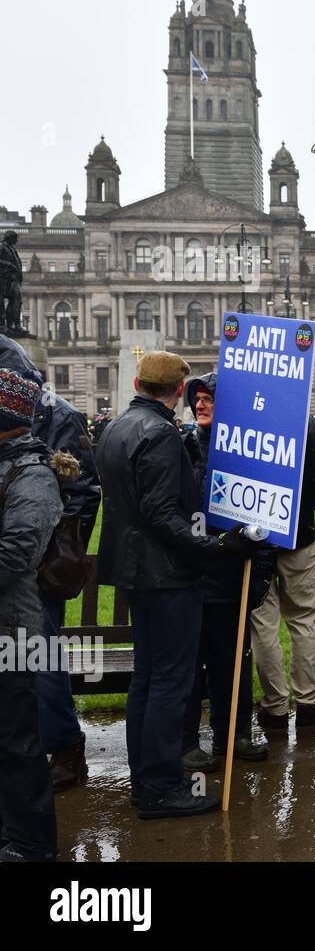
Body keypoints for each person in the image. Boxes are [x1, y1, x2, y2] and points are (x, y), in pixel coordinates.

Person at [98, 352, 252, 819]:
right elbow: (163, 513)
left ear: (139, 382)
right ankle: (161, 786)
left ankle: (148, 777)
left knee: (147, 678)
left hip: (135, 572)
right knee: (169, 681)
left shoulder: (115, 427)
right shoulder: (161, 434)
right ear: (179, 391)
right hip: (166, 574)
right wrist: (215, 547)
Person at [1, 334, 101, 791]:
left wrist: (51, 550)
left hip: (38, 565)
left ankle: (64, 749)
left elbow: (82, 490)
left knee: (41, 659)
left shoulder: (57, 414)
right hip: (11, 559)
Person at [179, 373, 274, 771]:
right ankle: (185, 741)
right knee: (188, 666)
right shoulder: (181, 448)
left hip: (232, 577)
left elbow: (268, 519)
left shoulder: (249, 457)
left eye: (210, 400)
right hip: (189, 576)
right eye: (197, 400)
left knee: (232, 663)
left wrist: (262, 574)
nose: (201, 406)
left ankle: (233, 733)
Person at [0, 368, 66, 860]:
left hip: (13, 631)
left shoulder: (34, 476)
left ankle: (31, 844)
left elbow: (18, 554)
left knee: (16, 741)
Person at [250, 414, 315, 731]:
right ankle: (307, 700)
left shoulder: (244, 415)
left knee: (263, 624)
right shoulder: (303, 421)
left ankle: (275, 705)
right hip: (297, 535)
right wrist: (299, 510)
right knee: (303, 619)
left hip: (255, 537)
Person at [0, 230, 23, 334]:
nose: (17, 240)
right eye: (15, 238)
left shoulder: (12, 248)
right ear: (9, 237)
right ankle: (2, 325)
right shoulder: (1, 246)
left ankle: (14, 324)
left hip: (14, 278)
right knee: (1, 302)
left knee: (17, 300)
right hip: (4, 278)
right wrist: (8, 265)